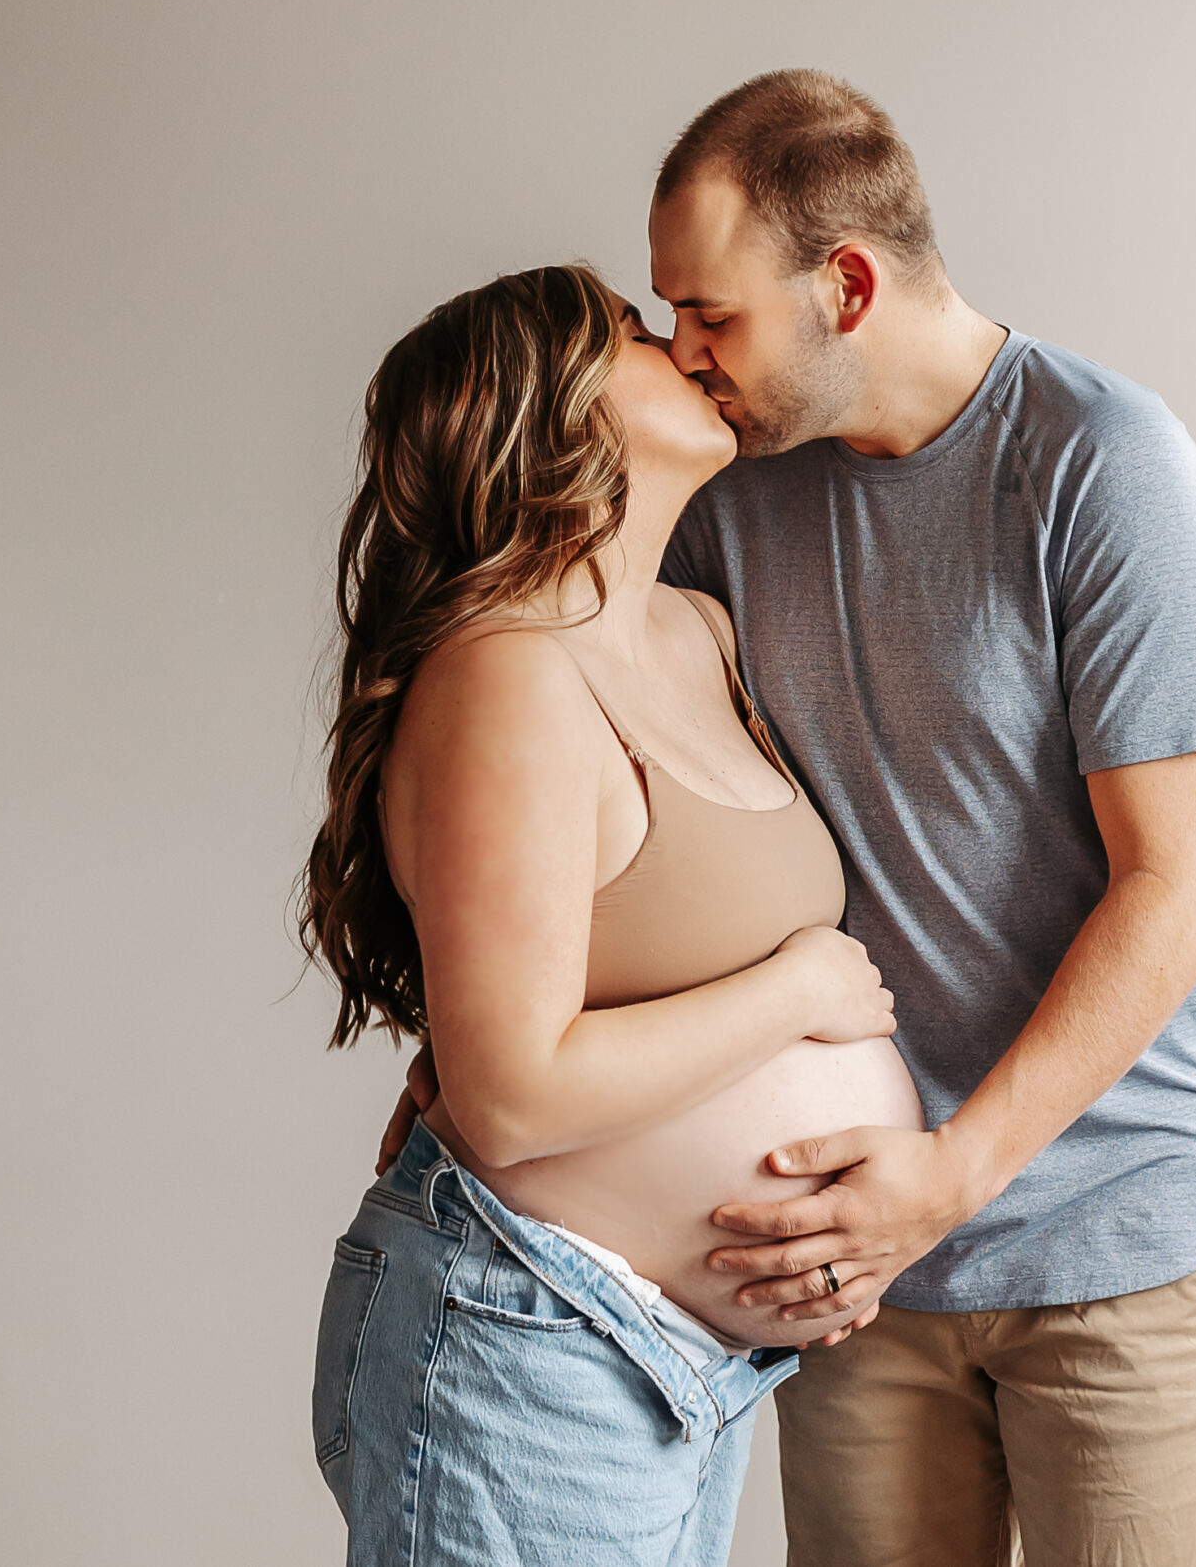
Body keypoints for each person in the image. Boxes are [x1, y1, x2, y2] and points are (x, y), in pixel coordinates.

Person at [649, 71, 1196, 1567]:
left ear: (844, 285)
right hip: (858, 1260)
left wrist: (954, 1174)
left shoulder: (1106, 465)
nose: (682, 357)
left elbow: (1180, 885)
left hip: (1120, 1235)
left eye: (710, 315)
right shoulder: (730, 497)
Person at [300, 262, 925, 1567]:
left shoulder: (702, 632)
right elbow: (513, 1091)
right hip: (525, 1337)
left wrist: (846, 1231)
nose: (685, 348)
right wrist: (799, 998)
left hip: (679, 1366)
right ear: (548, 410)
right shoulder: (507, 677)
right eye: (636, 334)